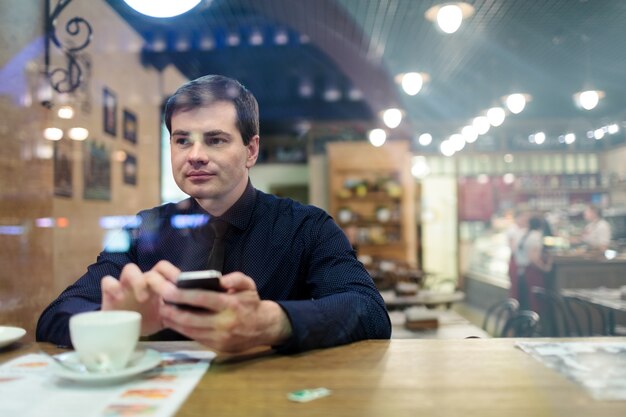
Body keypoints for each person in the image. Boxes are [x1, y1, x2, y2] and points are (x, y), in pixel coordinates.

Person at [36, 75, 391, 353]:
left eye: (216, 139)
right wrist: (113, 321)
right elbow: (55, 316)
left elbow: (368, 310)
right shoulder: (143, 230)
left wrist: (272, 322)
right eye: (182, 140)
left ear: (250, 150)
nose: (195, 155)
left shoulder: (306, 227)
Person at [514, 215, 552, 311]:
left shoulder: (522, 234)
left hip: (521, 271)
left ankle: (524, 323)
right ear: (541, 225)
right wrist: (545, 268)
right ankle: (534, 323)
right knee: (535, 301)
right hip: (532, 272)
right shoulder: (536, 236)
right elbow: (533, 258)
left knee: (524, 300)